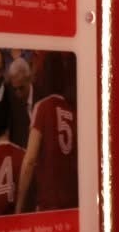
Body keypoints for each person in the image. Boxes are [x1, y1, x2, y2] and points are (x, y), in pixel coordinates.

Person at [15, 52, 77, 213]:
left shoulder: (42, 107)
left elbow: (29, 161)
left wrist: (19, 207)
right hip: (71, 205)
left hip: (48, 205)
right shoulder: (73, 112)